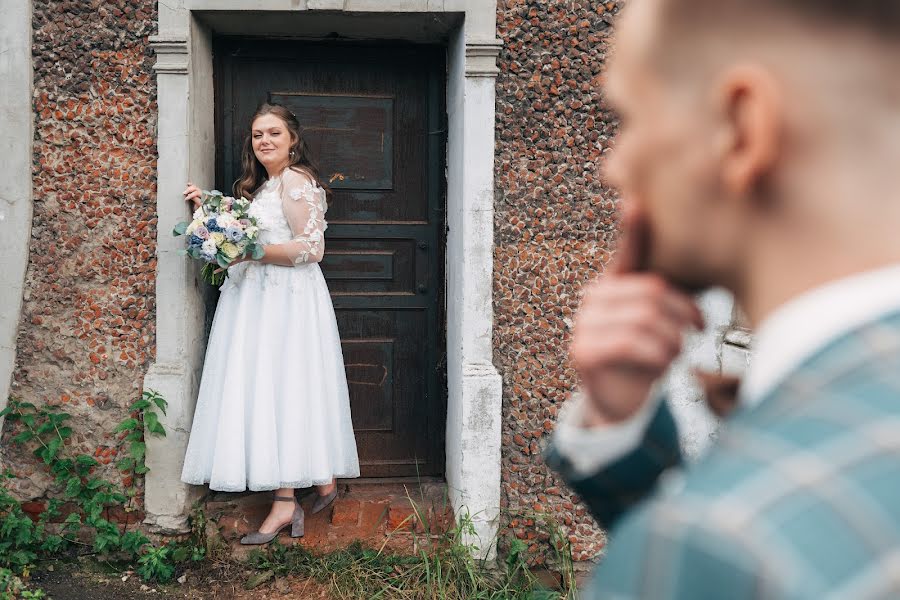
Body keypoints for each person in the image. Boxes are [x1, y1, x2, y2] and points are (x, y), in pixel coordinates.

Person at [544, 0, 900, 597]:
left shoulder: (716, 548)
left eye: (631, 118)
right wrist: (620, 424)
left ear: (741, 128)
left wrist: (676, 547)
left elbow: (735, 550)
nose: (613, 167)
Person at [179, 103, 360, 545]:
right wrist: (212, 214)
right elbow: (251, 231)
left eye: (274, 133)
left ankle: (290, 498)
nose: (265, 141)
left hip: (286, 298)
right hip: (259, 299)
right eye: (258, 134)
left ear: (292, 140)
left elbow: (310, 249)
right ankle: (310, 486)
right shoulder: (265, 186)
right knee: (271, 387)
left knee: (283, 385)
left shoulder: (297, 182)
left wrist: (249, 253)